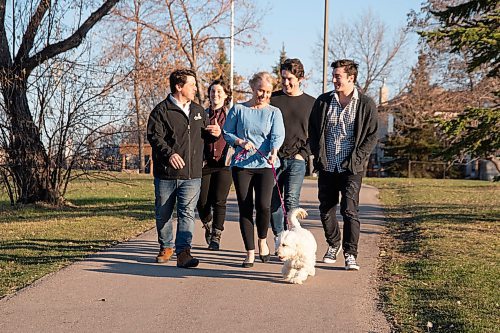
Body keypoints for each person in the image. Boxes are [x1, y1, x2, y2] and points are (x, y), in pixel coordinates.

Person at [147, 69, 221, 268]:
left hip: (192, 174)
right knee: (163, 213)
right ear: (179, 87)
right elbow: (154, 137)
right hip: (166, 174)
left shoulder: (198, 111)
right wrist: (169, 154)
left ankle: (183, 252)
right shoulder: (161, 111)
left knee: (187, 213)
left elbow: (205, 136)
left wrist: (215, 133)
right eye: (192, 85)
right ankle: (166, 246)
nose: (196, 89)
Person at [308, 59, 378, 271]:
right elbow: (313, 130)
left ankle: (350, 254)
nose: (334, 80)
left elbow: (372, 136)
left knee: (349, 210)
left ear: (351, 78)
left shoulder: (365, 104)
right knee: (326, 209)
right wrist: (318, 156)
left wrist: (357, 159)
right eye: (334, 76)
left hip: (351, 168)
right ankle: (333, 244)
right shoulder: (323, 102)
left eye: (338, 76)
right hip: (328, 166)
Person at [223, 72, 285, 268]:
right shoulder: (239, 109)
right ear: (252, 87)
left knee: (264, 205)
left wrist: (274, 151)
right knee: (245, 207)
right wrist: (240, 141)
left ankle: (262, 240)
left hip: (266, 164)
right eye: (260, 90)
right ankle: (249, 252)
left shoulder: (274, 112)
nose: (263, 95)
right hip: (242, 165)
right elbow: (227, 132)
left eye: (267, 92)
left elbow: (277, 135)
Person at [270, 58, 316, 254]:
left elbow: (315, 134)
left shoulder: (312, 104)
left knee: (290, 201)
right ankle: (280, 240)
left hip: (297, 159)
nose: (286, 83)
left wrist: (303, 155)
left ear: (300, 78)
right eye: (283, 79)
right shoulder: (274, 99)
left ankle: (293, 242)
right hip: (275, 158)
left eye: (290, 79)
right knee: (272, 202)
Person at [196, 79, 233, 251]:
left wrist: (222, 133)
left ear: (226, 95)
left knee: (219, 201)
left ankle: (216, 236)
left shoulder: (232, 115)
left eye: (219, 92)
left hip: (224, 163)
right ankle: (208, 224)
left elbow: (237, 137)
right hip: (205, 163)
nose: (215, 94)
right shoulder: (202, 114)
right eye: (212, 91)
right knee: (201, 201)